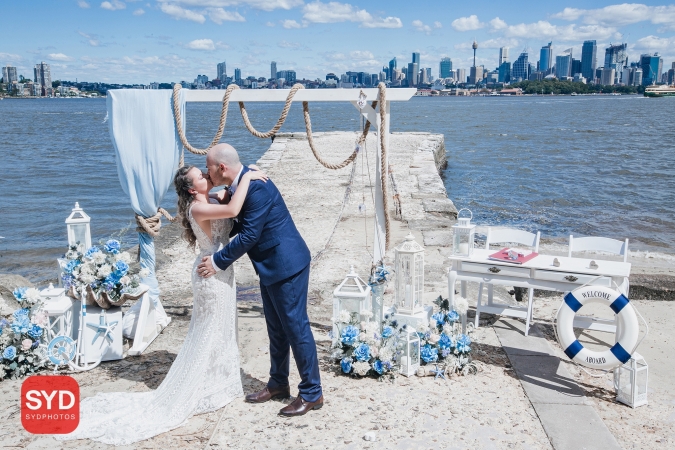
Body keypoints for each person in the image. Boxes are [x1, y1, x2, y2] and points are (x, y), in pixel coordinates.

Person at [58, 164, 267, 445]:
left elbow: (230, 201)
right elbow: (232, 212)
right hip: (210, 273)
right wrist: (249, 176)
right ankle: (202, 386)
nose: (206, 175)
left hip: (221, 269)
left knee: (222, 327)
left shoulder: (211, 199)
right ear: (192, 189)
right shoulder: (197, 208)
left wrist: (238, 178)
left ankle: (218, 382)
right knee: (208, 330)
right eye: (201, 176)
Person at [197, 143, 323, 417]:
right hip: (270, 266)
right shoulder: (242, 183)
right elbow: (236, 216)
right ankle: (278, 383)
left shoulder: (257, 186)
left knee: (296, 327)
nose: (206, 173)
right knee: (276, 328)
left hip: (287, 264)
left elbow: (248, 236)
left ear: (221, 167)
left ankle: (312, 393)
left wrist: (218, 262)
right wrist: (216, 199)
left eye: (208, 167)